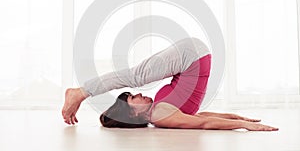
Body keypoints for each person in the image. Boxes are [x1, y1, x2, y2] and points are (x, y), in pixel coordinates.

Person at [62, 38, 278, 131]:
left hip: (191, 55)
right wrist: (241, 121)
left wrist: (240, 122)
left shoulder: (159, 113)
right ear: (133, 114)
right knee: (136, 76)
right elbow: (202, 121)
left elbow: (199, 120)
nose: (138, 95)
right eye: (132, 98)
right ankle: (80, 91)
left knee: (137, 76)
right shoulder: (159, 116)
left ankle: (81, 91)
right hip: (192, 55)